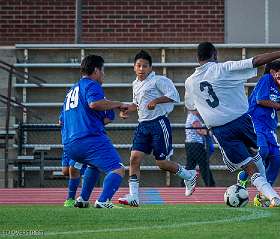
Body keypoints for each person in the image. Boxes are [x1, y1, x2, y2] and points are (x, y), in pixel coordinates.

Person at [185, 42, 280, 207]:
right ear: (215, 55)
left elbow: (190, 105)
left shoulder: (189, 82)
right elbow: (256, 60)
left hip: (220, 130)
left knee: (248, 167)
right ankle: (270, 196)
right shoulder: (223, 68)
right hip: (242, 121)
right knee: (256, 155)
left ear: (197, 58)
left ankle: (272, 196)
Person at [118, 50, 197, 207]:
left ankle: (189, 176)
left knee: (161, 163)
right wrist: (127, 109)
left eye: (145, 66)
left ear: (150, 68)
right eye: (139, 66)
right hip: (143, 125)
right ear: (134, 67)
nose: (141, 69)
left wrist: (157, 100)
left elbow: (174, 95)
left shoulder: (158, 80)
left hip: (158, 124)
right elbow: (137, 104)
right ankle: (134, 196)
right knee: (134, 159)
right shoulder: (135, 84)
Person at [61, 54, 127, 209]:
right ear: (96, 70)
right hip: (88, 139)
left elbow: (61, 120)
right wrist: (119, 104)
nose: (104, 74)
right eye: (103, 70)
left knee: (94, 165)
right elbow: (95, 104)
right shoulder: (92, 85)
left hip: (69, 145)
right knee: (118, 169)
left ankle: (82, 199)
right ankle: (104, 200)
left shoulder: (71, 91)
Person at [237, 61, 280, 207]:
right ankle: (243, 175)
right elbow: (260, 100)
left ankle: (262, 196)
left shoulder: (278, 86)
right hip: (256, 122)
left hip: (270, 128)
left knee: (276, 159)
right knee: (263, 151)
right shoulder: (266, 79)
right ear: (273, 72)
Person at [184, 109, 216, 187]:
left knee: (190, 166)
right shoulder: (193, 118)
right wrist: (209, 133)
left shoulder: (191, 116)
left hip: (190, 145)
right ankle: (210, 185)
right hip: (196, 145)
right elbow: (199, 130)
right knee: (204, 165)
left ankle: (183, 184)